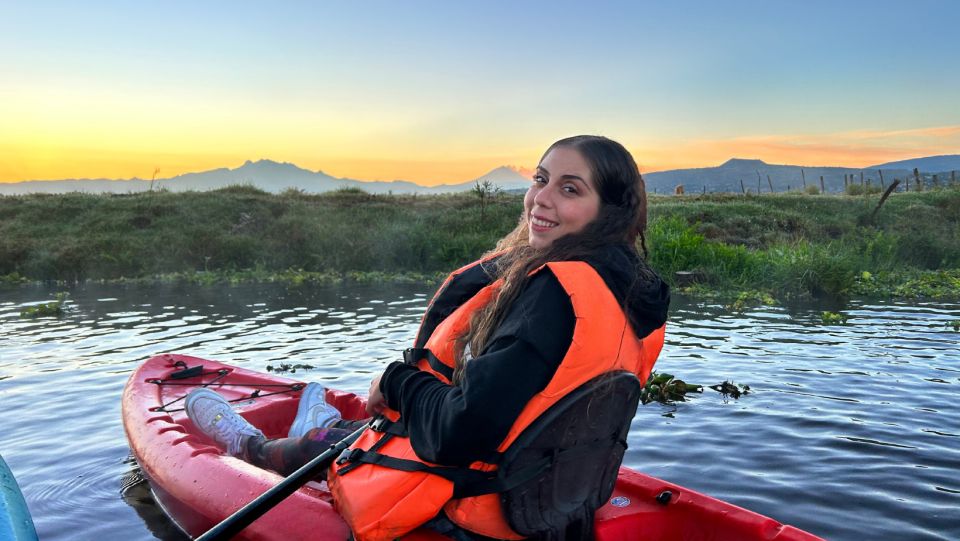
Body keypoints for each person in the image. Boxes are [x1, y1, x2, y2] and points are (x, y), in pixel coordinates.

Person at [185, 135, 670, 540]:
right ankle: (317, 422)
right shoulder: (630, 291)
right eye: (540, 179)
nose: (542, 198)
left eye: (570, 189)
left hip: (475, 510)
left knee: (341, 453)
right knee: (359, 438)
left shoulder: (554, 293)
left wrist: (396, 381)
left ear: (607, 210)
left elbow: (458, 435)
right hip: (551, 504)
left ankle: (250, 447)